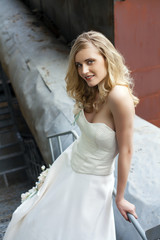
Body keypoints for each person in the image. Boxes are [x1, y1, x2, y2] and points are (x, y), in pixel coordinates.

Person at [3, 30, 139, 240]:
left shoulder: (119, 97)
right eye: (79, 64)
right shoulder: (91, 88)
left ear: (106, 57)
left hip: (93, 184)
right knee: (38, 222)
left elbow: (126, 150)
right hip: (68, 166)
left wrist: (120, 197)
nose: (84, 70)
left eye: (90, 61)